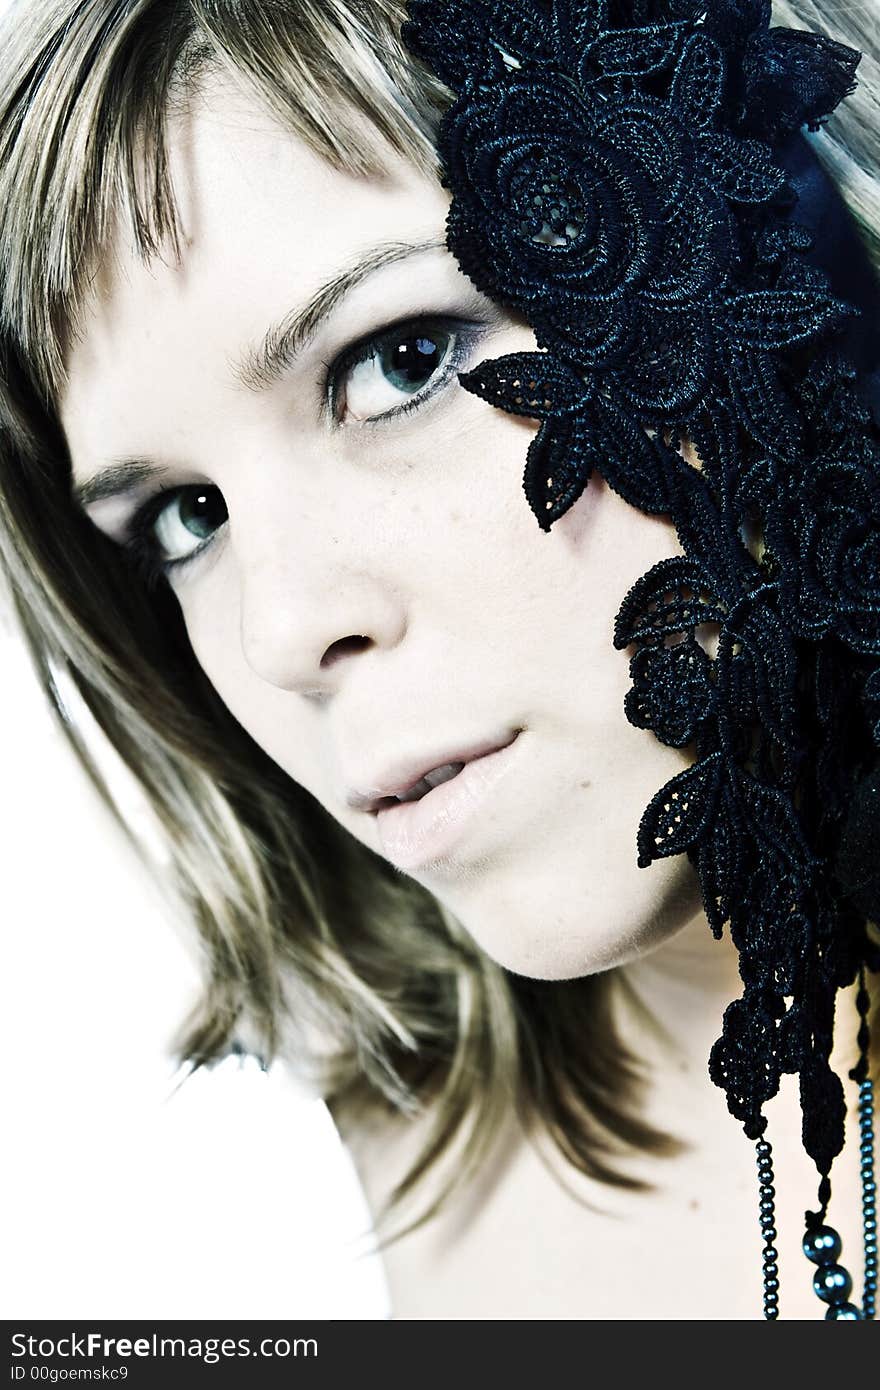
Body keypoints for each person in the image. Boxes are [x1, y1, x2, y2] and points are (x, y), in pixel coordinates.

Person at [0, 0, 877, 1320]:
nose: (279, 631)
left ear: (773, 260)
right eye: (188, 516)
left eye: (398, 362)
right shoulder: (290, 1201)